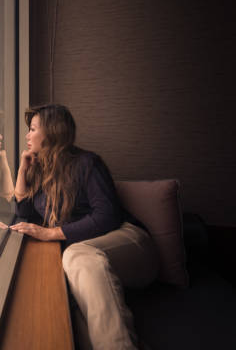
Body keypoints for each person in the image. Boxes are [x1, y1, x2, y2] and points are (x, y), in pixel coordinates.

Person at [10, 104, 158, 350]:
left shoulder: (87, 163)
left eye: (33, 129)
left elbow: (107, 216)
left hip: (131, 243)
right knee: (67, 302)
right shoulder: (41, 171)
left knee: (76, 254)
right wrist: (23, 171)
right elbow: (24, 213)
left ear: (52, 132)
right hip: (87, 258)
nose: (27, 135)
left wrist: (52, 233)